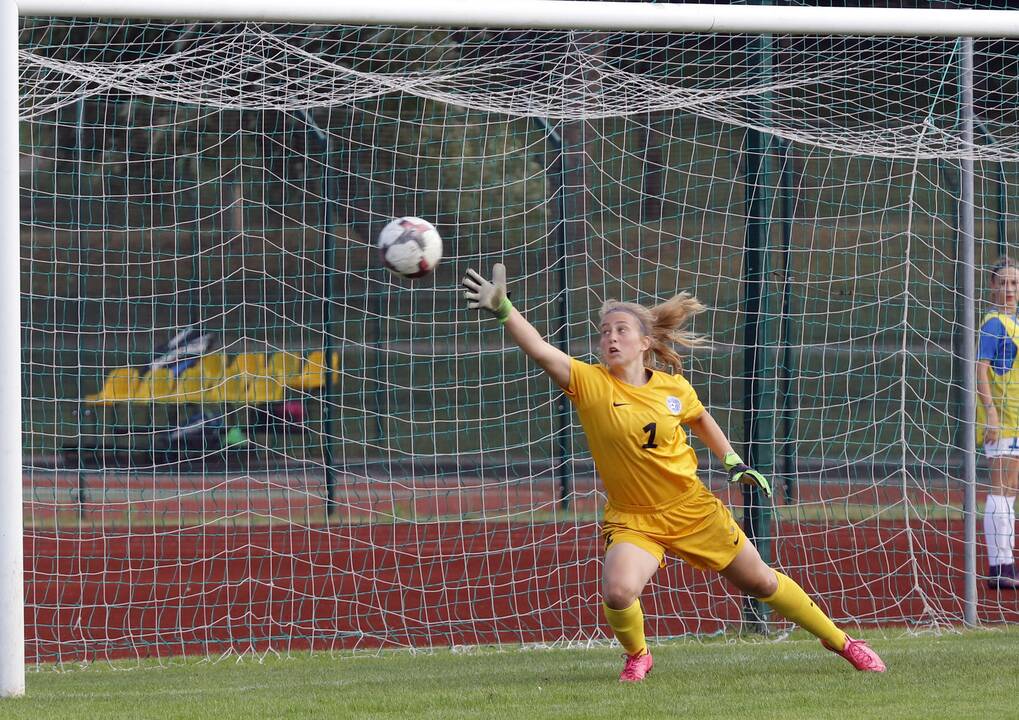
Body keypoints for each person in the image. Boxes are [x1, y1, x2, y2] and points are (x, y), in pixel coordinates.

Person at [462, 264, 886, 681]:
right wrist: (505, 310)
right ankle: (638, 655)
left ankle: (842, 642)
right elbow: (539, 349)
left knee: (761, 583)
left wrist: (732, 461)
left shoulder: (673, 388)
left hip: (692, 510)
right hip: (634, 518)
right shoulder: (588, 382)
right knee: (618, 590)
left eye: (621, 329)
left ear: (645, 342)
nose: (610, 337)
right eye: (604, 331)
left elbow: (700, 419)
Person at [976, 258, 1019, 590]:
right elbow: (981, 370)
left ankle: (1007, 561)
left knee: (1011, 489)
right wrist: (989, 411)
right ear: (992, 286)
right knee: (1000, 486)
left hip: (1016, 416)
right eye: (1003, 283)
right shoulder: (993, 323)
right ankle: (998, 565)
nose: (1008, 290)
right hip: (1001, 416)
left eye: (1014, 284)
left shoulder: (1015, 322)